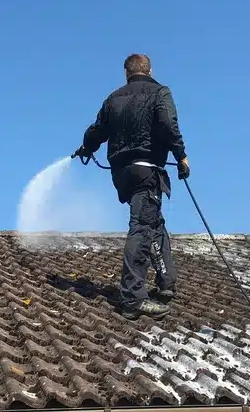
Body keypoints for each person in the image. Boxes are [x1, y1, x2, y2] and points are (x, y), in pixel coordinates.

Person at [73, 53, 190, 320]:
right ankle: (132, 298)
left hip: (122, 174)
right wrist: (181, 157)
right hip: (147, 169)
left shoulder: (113, 98)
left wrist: (85, 148)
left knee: (152, 221)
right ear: (150, 71)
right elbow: (169, 126)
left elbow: (96, 131)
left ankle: (166, 282)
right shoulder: (160, 92)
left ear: (126, 73)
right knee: (142, 226)